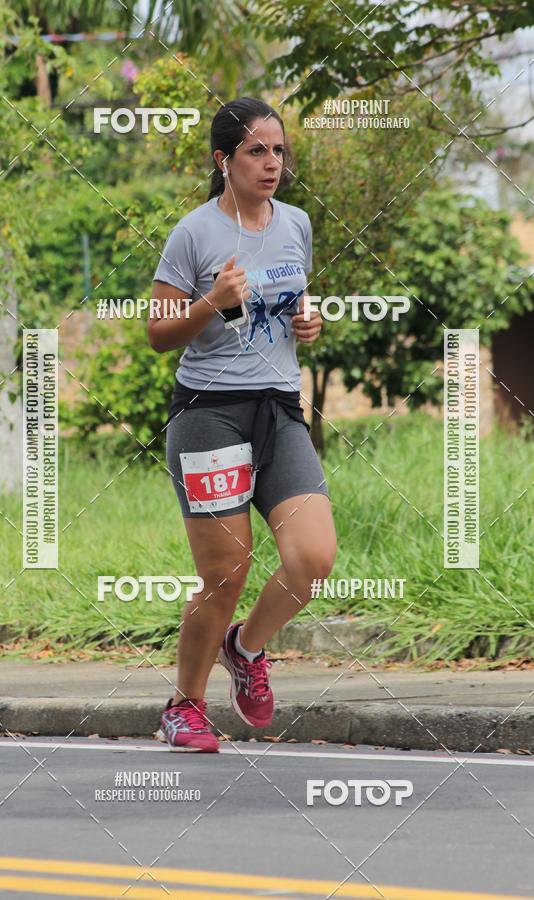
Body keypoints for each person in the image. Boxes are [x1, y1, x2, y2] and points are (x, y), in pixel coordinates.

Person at [149, 96, 337, 752]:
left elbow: (293, 302)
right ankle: (184, 707)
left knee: (313, 558)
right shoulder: (194, 233)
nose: (272, 163)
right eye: (257, 151)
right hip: (209, 416)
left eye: (279, 151)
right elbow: (158, 333)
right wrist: (212, 302)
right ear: (223, 160)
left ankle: (245, 647)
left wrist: (308, 323)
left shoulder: (296, 224)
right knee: (226, 572)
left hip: (279, 410)